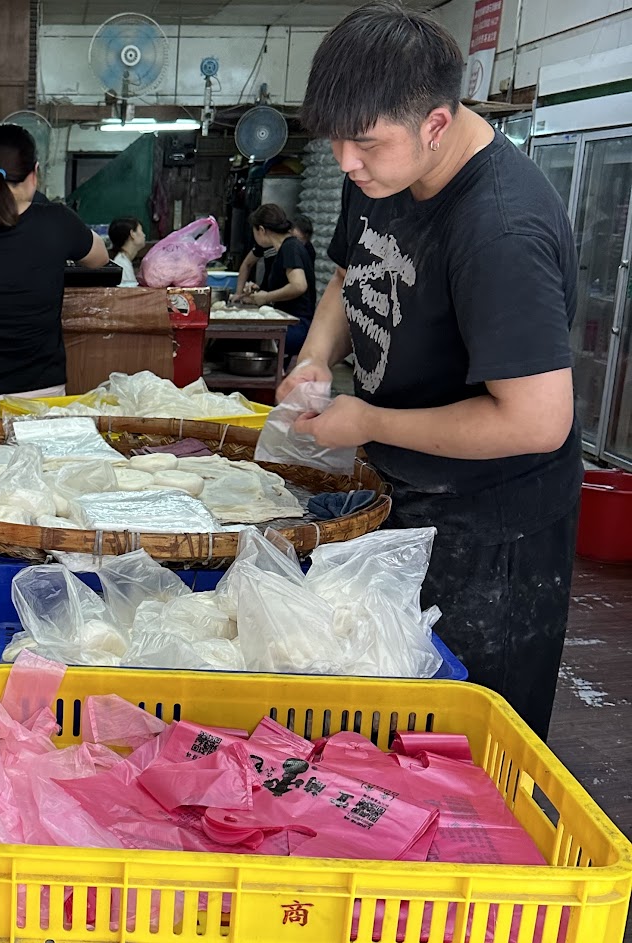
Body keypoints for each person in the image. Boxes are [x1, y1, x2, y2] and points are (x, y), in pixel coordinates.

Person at [282, 0, 581, 738]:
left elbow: (538, 421)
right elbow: (349, 274)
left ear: (437, 124)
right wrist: (316, 356)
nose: (346, 162)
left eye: (363, 144)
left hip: (491, 531)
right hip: (405, 493)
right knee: (387, 720)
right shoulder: (381, 167)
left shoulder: (499, 228)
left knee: (461, 736)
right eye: (335, 141)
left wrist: (370, 420)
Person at [0, 123, 109, 612]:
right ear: (35, 173)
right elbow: (99, 259)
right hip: (40, 395)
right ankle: (34, 623)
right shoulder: (58, 223)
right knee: (40, 510)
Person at [237, 203, 316, 355]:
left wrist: (266, 297)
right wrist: (257, 294)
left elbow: (299, 286)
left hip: (297, 326)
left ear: (261, 230)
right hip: (289, 323)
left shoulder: (290, 247)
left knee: (236, 339)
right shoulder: (284, 248)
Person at [108, 216, 146, 287]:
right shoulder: (121, 265)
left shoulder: (124, 261)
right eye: (141, 230)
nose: (144, 235)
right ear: (132, 234)